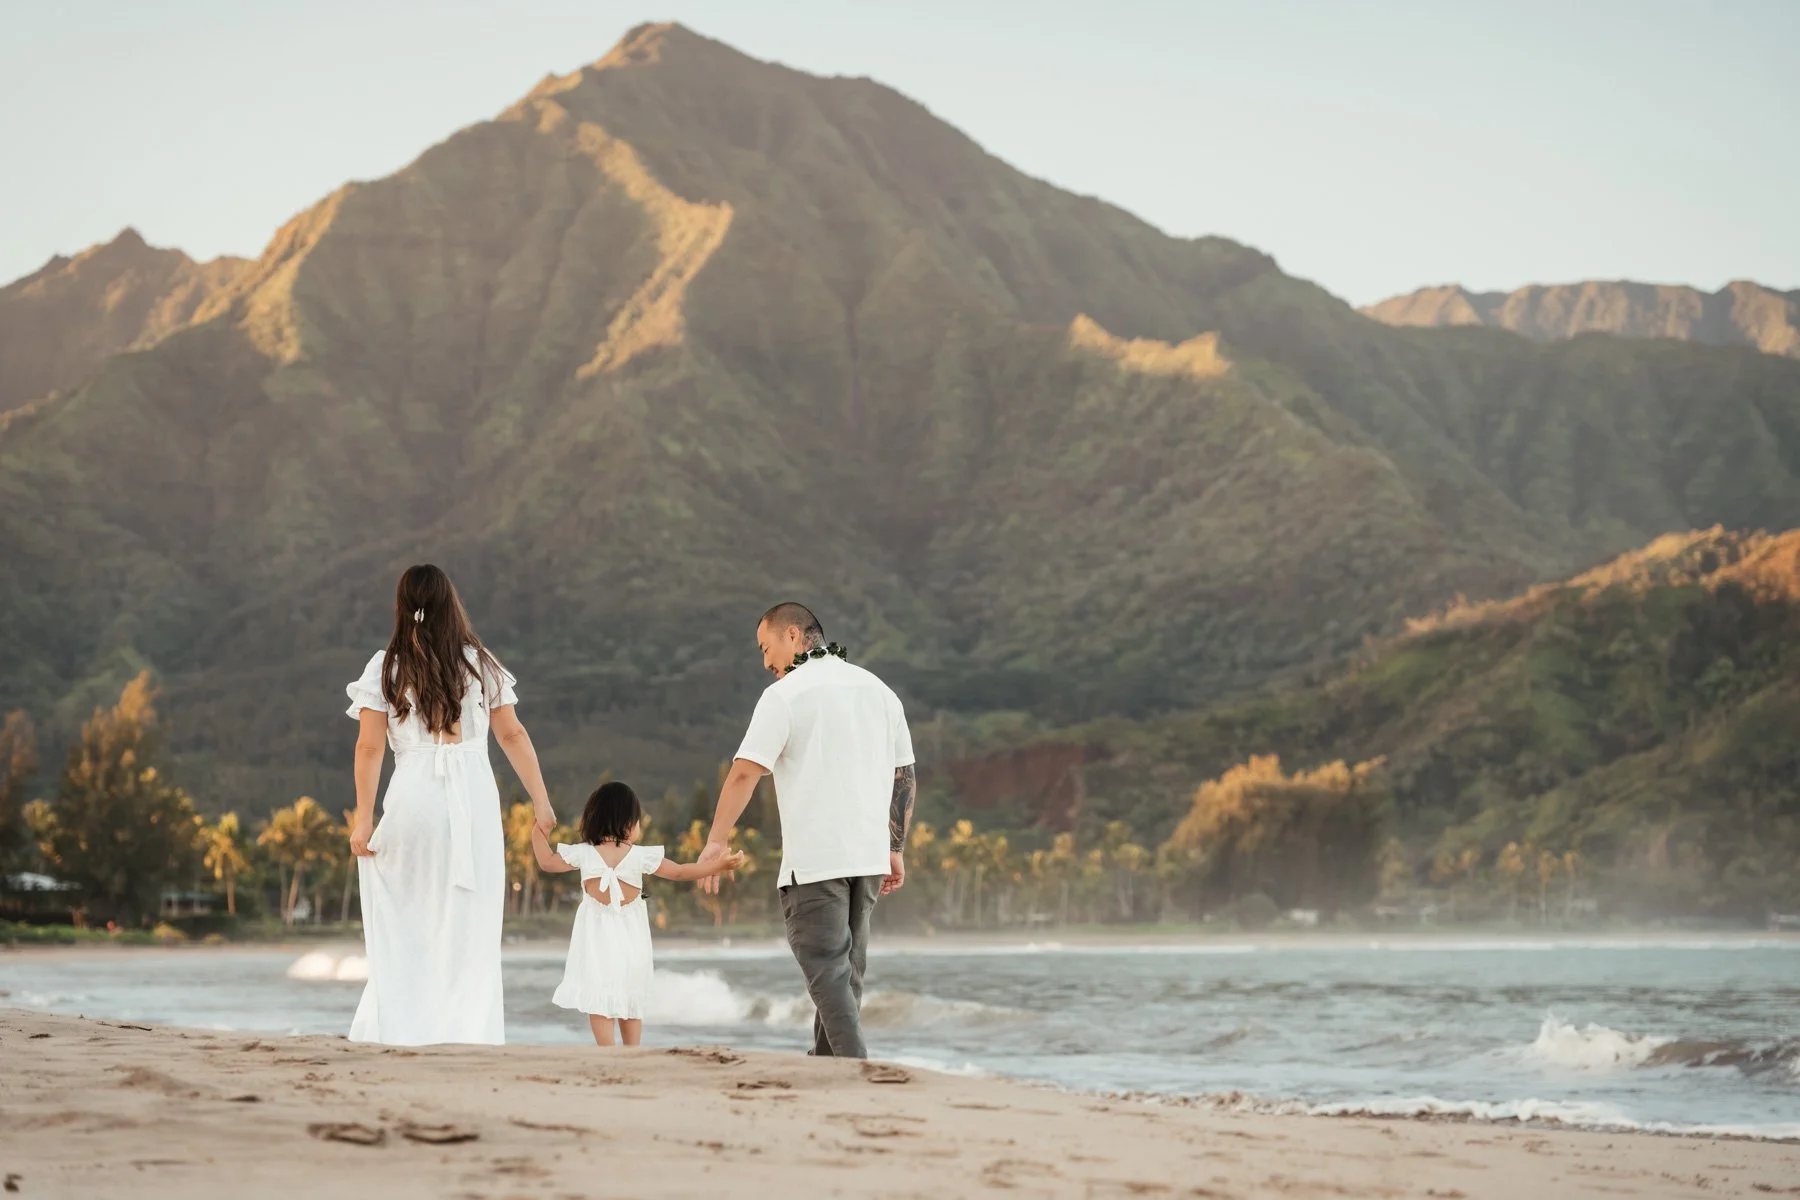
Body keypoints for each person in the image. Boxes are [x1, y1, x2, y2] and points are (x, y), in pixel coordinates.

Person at [344, 564, 555, 1045]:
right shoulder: (479, 663)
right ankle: (466, 1032)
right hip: (472, 801)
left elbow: (369, 749)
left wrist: (363, 818)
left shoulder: (385, 667)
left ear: (402, 606)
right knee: (469, 923)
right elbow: (512, 734)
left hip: (412, 799)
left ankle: (402, 1028)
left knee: (409, 919)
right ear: (451, 604)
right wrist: (540, 802)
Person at [697, 602, 915, 1059]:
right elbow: (904, 777)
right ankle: (827, 1067)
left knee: (828, 973)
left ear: (793, 636)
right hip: (868, 858)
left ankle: (855, 1070)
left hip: (817, 861)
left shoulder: (786, 695)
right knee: (846, 975)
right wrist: (895, 847)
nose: (765, 662)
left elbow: (744, 773)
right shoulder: (879, 690)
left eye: (765, 647)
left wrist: (716, 841)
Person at [530, 780, 744, 1046]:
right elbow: (680, 872)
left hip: (594, 940)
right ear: (629, 822)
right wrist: (717, 865)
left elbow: (546, 862)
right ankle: (632, 1050)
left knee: (599, 996)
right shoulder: (641, 856)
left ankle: (606, 1050)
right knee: (630, 994)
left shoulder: (583, 853)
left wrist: (538, 830)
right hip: (632, 940)